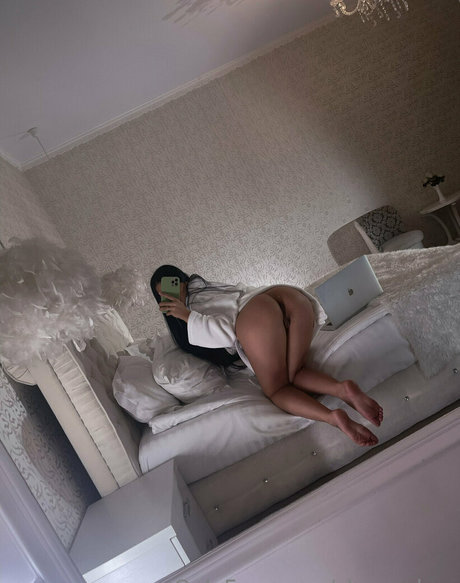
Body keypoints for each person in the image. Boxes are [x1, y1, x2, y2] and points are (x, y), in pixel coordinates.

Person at [150, 264, 383, 447]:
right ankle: (343, 389)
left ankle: (333, 417)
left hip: (258, 315)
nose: (170, 296)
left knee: (278, 390)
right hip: (290, 297)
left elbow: (226, 333)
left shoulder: (195, 300)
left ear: (181, 282)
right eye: (163, 295)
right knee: (296, 373)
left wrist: (186, 315)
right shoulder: (209, 286)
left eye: (172, 287)